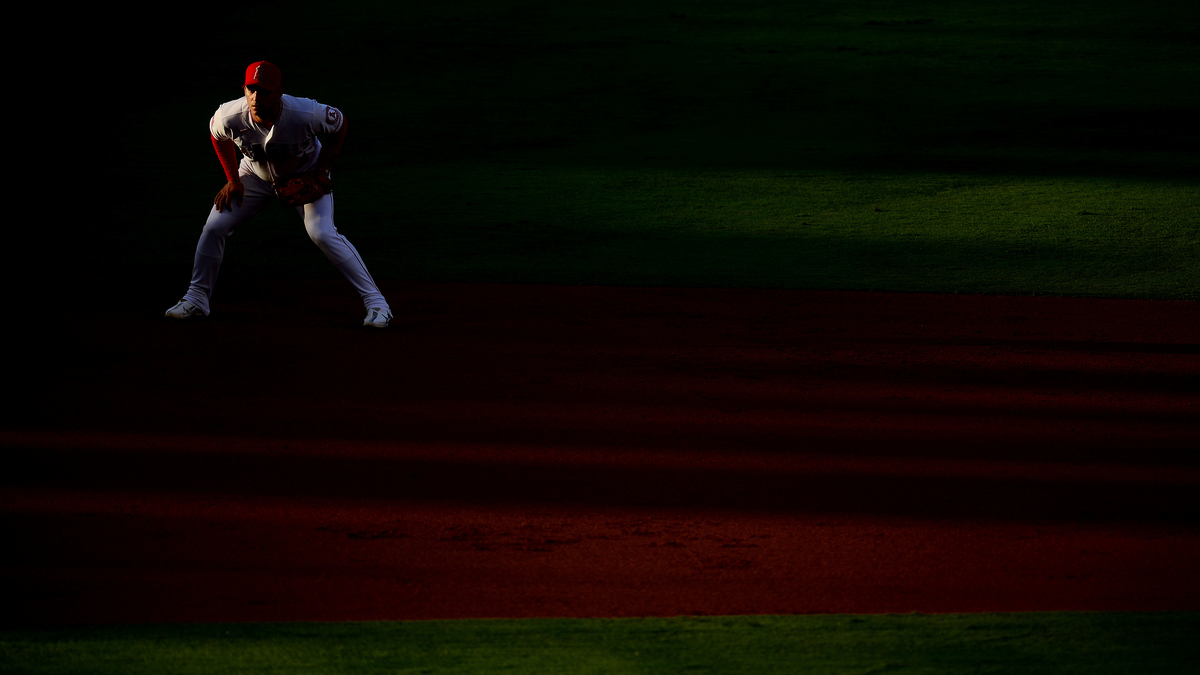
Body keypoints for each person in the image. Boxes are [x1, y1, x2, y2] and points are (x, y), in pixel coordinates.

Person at [165, 61, 392, 328]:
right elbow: (218, 135)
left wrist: (322, 173)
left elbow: (339, 124)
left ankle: (377, 304)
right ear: (245, 89)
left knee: (322, 233)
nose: (256, 97)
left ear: (279, 92)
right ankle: (196, 299)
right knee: (214, 227)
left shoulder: (305, 112)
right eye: (251, 89)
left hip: (305, 173)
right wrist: (232, 179)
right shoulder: (230, 114)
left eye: (265, 91)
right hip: (253, 177)